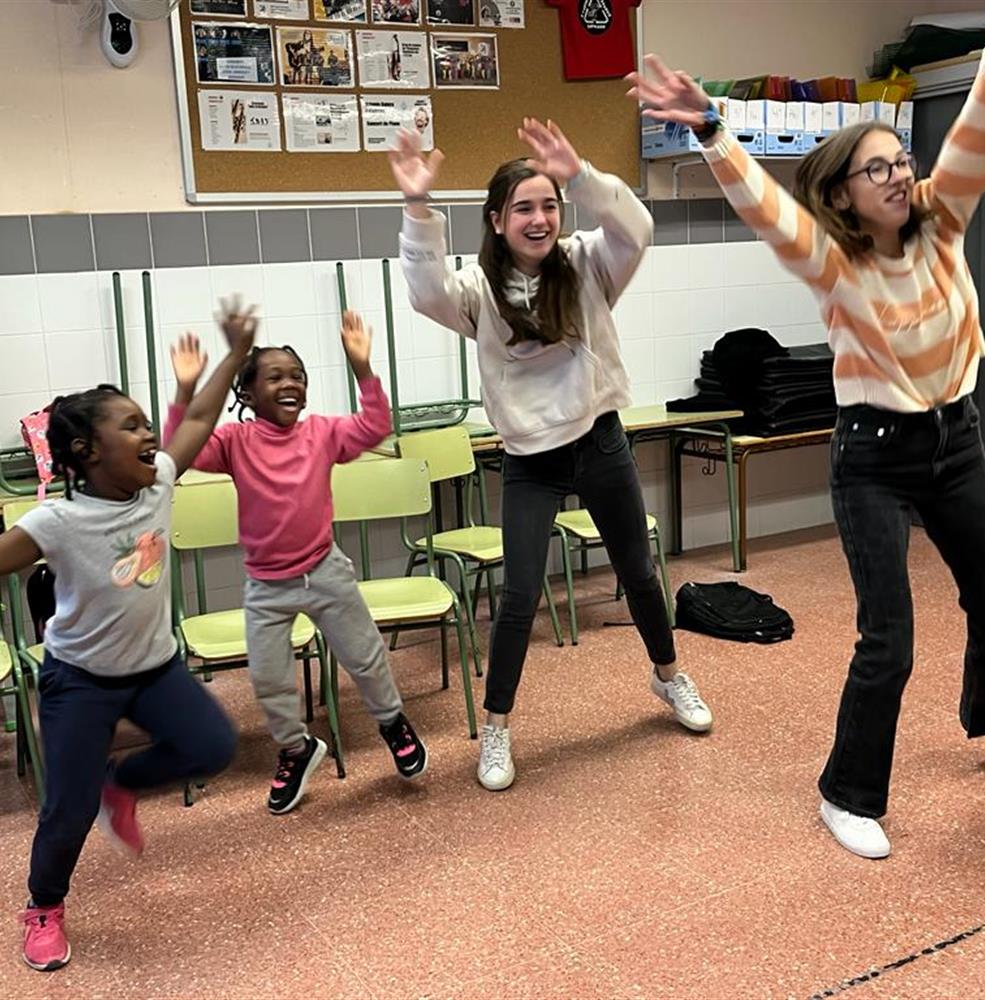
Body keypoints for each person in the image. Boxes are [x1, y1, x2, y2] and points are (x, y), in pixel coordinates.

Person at [629, 6, 985, 860]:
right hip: (874, 458)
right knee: (891, 637)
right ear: (841, 192)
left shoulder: (943, 222)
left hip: (959, 440)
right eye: (878, 170)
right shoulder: (835, 262)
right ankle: (847, 794)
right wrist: (716, 132)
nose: (901, 176)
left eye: (901, 160)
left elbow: (983, 108)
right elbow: (767, 210)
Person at [390, 119, 714, 792]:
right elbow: (424, 294)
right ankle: (499, 729)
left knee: (640, 571)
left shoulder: (589, 261)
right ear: (497, 220)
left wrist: (581, 176)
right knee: (518, 595)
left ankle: (669, 676)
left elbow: (638, 230)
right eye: (523, 209)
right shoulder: (478, 290)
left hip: (600, 442)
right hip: (532, 461)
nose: (539, 219)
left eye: (548, 206)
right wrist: (418, 208)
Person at [5, 302, 257, 972]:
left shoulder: (158, 486)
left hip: (154, 669)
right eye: (134, 426)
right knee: (67, 808)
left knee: (212, 746)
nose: (151, 434)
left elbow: (199, 419)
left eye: (148, 423)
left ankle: (124, 784)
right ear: (88, 452)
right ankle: (44, 907)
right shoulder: (56, 521)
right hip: (79, 678)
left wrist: (235, 353)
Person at [164, 311, 427, 817]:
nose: (290, 384)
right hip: (266, 585)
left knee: (365, 657)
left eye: (298, 376)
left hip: (325, 571)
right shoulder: (235, 442)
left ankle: (392, 722)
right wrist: (185, 390)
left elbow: (375, 425)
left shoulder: (323, 433)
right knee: (268, 678)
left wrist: (363, 367)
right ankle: (296, 749)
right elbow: (185, 449)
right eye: (276, 377)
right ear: (247, 393)